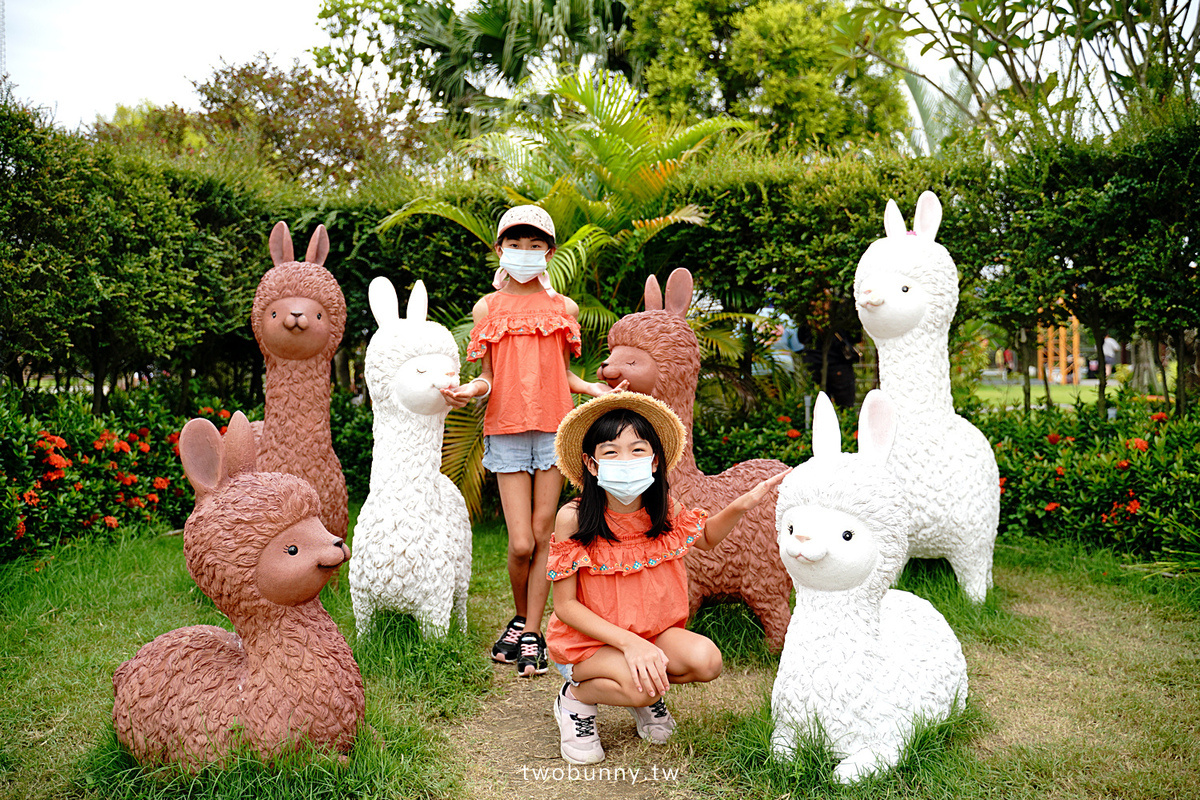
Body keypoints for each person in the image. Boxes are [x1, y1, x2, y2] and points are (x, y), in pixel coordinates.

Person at [545, 391, 790, 764]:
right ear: (591, 465)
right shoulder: (574, 518)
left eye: (637, 450)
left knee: (706, 661)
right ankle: (576, 700)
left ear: (655, 460)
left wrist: (741, 504)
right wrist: (630, 645)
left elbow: (705, 538)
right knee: (640, 687)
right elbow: (564, 606)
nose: (625, 460)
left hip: (652, 632)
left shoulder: (662, 507)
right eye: (611, 452)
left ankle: (642, 687)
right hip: (589, 643)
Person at [441, 205, 619, 678]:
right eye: (515, 245)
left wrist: (592, 388)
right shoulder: (488, 308)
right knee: (520, 543)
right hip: (506, 430)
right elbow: (488, 377)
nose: (525, 253)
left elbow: (559, 372)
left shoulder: (565, 309)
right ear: (500, 250)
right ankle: (522, 620)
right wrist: (465, 390)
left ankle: (532, 633)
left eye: (535, 245)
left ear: (549, 252)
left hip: (555, 430)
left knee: (544, 534)